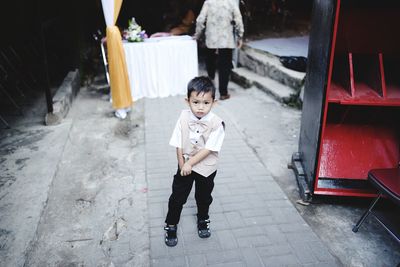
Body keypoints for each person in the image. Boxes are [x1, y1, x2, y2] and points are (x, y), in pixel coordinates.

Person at [164, 76, 225, 247]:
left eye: (206, 103)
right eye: (196, 102)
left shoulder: (217, 124)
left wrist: (190, 163)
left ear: (214, 102)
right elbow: (178, 143)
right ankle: (171, 224)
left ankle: (203, 218)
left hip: (206, 167)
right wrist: (182, 164)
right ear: (187, 101)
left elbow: (209, 149)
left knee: (204, 196)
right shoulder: (183, 117)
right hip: (185, 165)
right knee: (177, 196)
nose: (200, 107)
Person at [194, 0, 244, 100]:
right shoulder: (231, 2)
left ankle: (211, 86)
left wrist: (198, 35)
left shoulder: (208, 2)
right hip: (226, 39)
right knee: (225, 66)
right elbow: (238, 20)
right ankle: (223, 93)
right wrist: (240, 36)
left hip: (211, 39)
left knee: (210, 61)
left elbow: (200, 20)